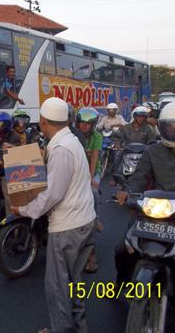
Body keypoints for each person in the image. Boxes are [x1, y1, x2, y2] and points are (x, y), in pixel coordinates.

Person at [10, 97, 95, 333]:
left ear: (44, 121)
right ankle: (78, 328)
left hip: (67, 226)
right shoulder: (71, 140)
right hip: (84, 220)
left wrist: (24, 210)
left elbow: (52, 194)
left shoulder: (60, 150)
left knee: (57, 287)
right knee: (74, 283)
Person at [115, 99, 175, 284]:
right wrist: (127, 192)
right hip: (157, 208)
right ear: (162, 128)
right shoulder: (152, 151)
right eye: (170, 127)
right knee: (123, 249)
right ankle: (121, 282)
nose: (174, 131)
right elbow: (139, 176)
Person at [76, 107, 102, 273]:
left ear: (93, 125)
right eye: (82, 123)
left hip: (91, 172)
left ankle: (94, 218)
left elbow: (94, 158)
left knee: (92, 194)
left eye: (88, 124)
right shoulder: (72, 135)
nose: (84, 126)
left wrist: (90, 178)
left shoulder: (97, 137)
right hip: (74, 173)